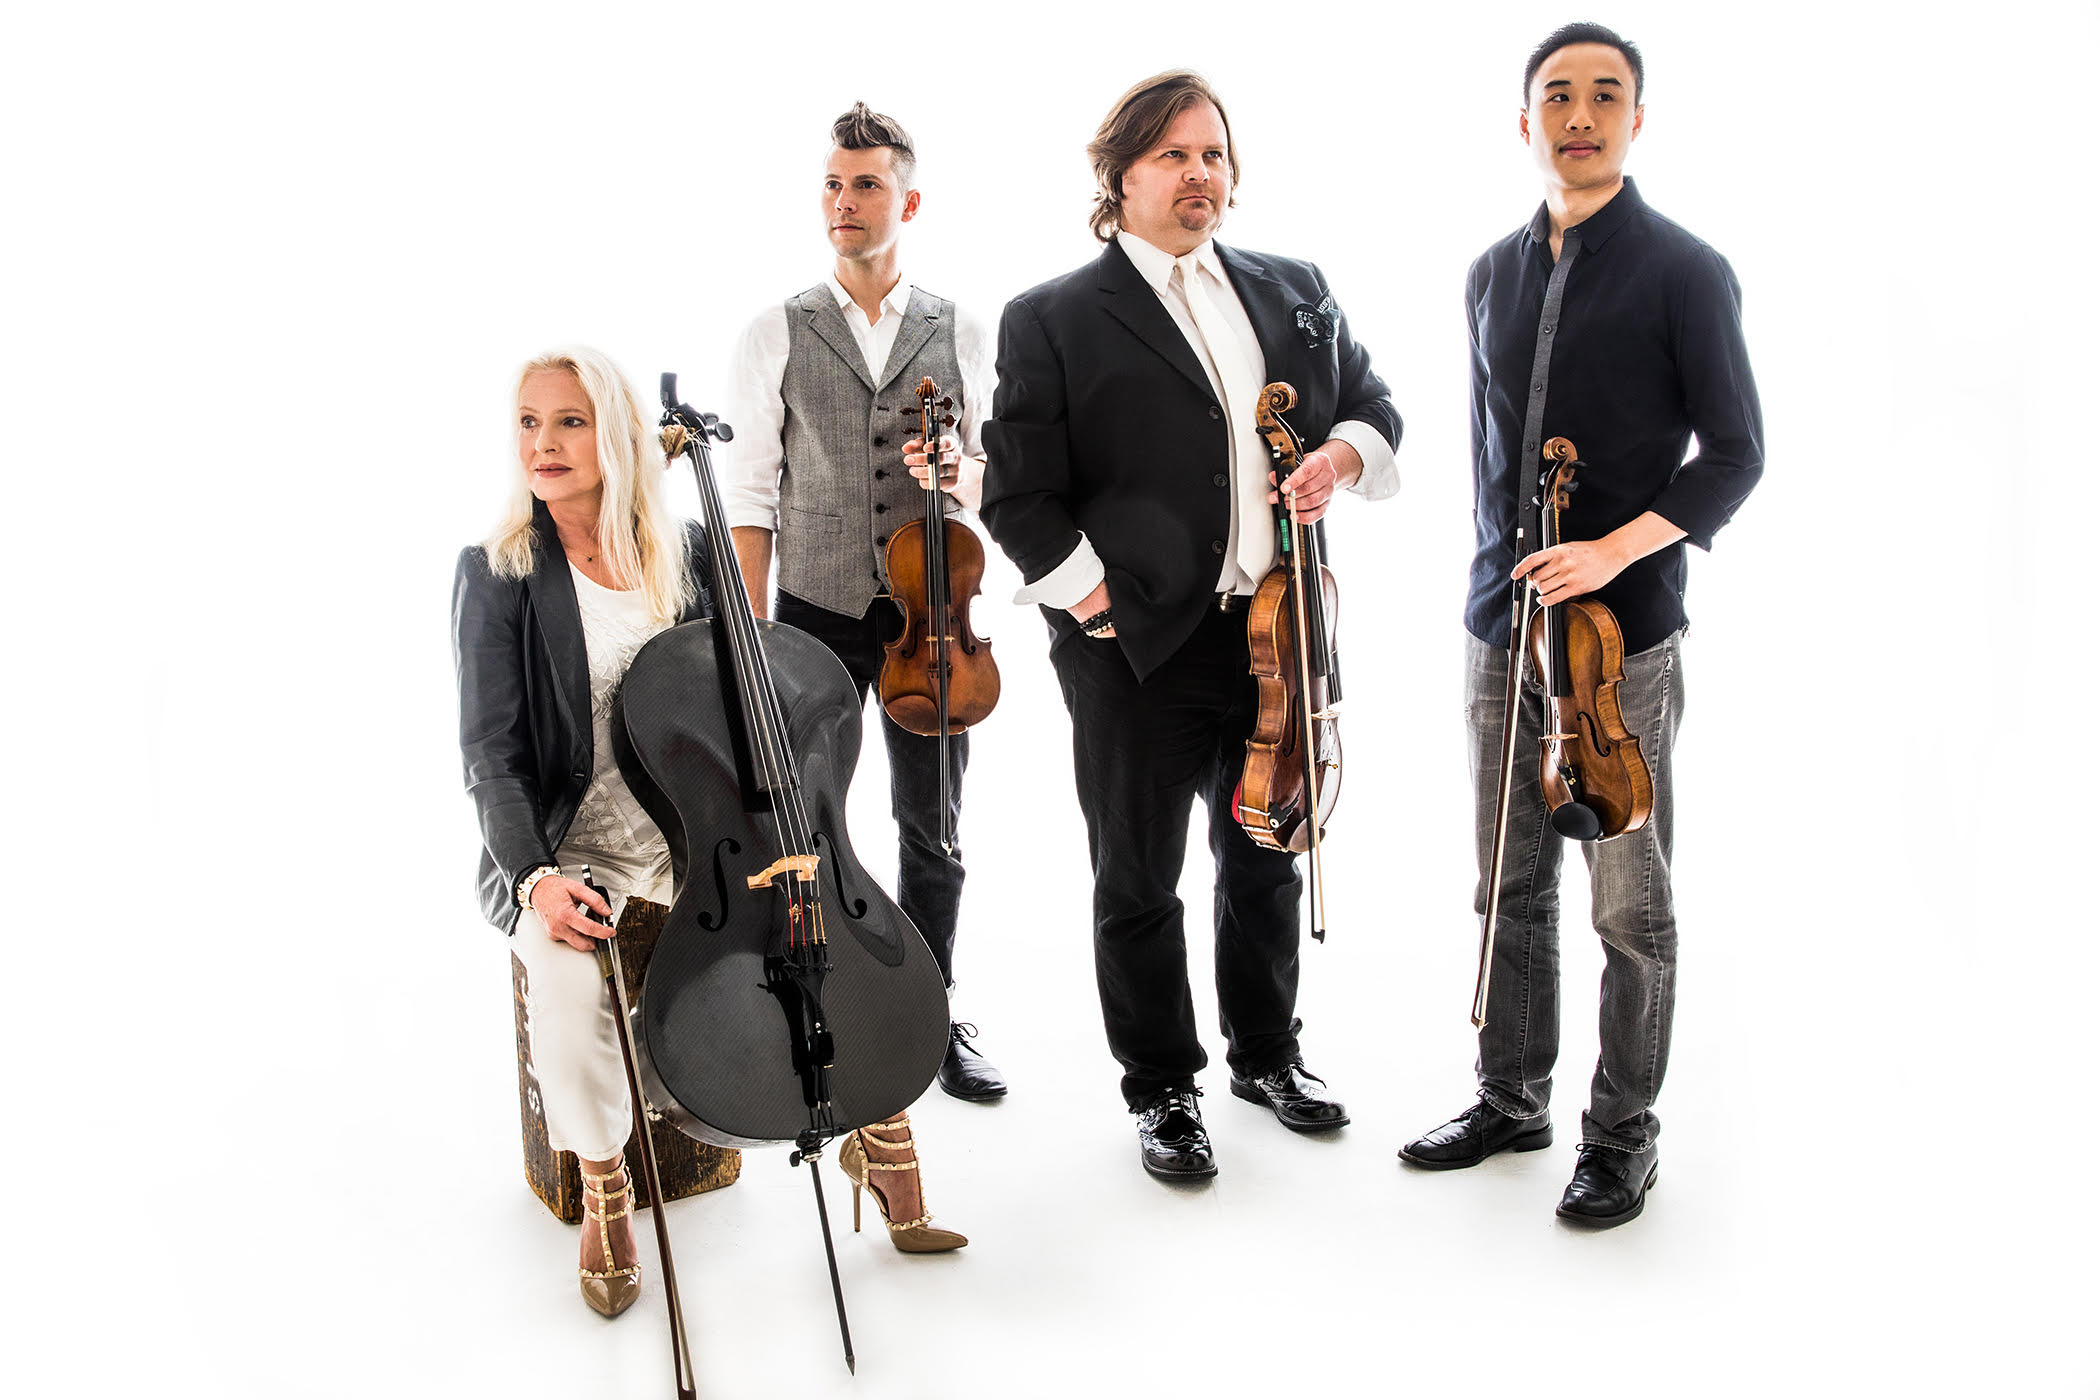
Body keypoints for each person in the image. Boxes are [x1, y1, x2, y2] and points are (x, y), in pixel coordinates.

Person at [453, 349, 964, 1319]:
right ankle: (606, 1184)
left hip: (695, 829)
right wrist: (535, 878)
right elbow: (491, 752)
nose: (543, 444)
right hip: (571, 843)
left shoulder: (685, 550)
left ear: (616, 432)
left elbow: (743, 703)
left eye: (568, 421)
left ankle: (878, 1131)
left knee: (821, 934)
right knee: (564, 981)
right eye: (528, 421)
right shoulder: (499, 569)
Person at [980, 71, 1401, 1180]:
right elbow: (1019, 493)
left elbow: (1374, 404)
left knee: (1266, 849)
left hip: (1275, 631)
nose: (1198, 174)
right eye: (1172, 154)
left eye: (1213, 154)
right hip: (1134, 648)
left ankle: (1266, 1054)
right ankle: (1163, 1087)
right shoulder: (1052, 316)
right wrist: (1094, 601)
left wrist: (1340, 455)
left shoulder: (1294, 286)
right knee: (1137, 878)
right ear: (1118, 175)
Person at [1397, 23, 1763, 1228]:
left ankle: (1623, 1135)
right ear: (1527, 122)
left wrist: (1612, 550)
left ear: (1637, 120)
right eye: (1558, 95)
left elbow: (1737, 455)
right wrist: (1491, 582)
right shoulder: (1487, 274)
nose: (1582, 114)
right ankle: (1511, 1099)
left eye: (1607, 95)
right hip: (1498, 626)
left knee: (1628, 904)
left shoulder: (1687, 270)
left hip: (1623, 642)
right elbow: (1488, 459)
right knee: (1507, 880)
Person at [718, 101, 1007, 1104]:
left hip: (936, 619)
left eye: (867, 185)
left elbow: (998, 475)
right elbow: (750, 496)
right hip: (816, 611)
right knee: (808, 827)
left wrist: (957, 471)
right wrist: (753, 639)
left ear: (908, 202)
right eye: (833, 185)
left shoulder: (963, 328)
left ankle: (933, 1009)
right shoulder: (776, 329)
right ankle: (821, 1005)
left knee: (932, 827)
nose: (844, 201)